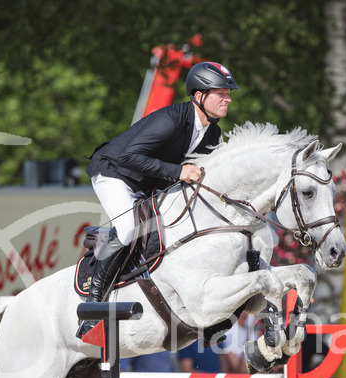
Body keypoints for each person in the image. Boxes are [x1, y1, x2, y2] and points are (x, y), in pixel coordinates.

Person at [78, 62, 239, 338]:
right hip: (115, 173)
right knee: (129, 229)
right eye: (221, 93)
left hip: (147, 182)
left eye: (228, 93)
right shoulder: (171, 119)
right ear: (199, 96)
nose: (228, 98)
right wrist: (178, 171)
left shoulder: (212, 133)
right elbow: (129, 157)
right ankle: (93, 309)